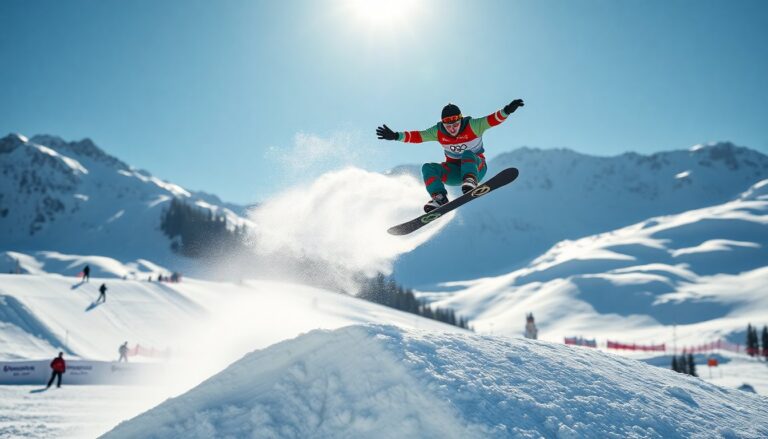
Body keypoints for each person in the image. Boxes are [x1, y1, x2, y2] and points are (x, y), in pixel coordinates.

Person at [376, 99, 525, 212]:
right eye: (448, 126)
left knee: (467, 154)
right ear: (443, 124)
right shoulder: (438, 131)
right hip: (455, 173)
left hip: (476, 168)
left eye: (455, 124)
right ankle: (439, 198)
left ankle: (470, 180)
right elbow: (419, 136)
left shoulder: (473, 125)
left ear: (461, 120)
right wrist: (396, 136)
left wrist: (507, 110)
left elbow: (493, 119)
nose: (452, 129)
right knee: (428, 167)